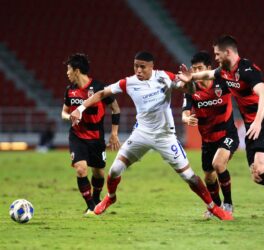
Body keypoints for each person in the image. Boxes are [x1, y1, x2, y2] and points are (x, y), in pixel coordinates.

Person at [70, 51, 233, 220]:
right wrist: (80, 108)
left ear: (151, 67)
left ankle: (213, 207)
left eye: (142, 67)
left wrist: (189, 81)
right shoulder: (129, 82)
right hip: (142, 133)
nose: (138, 70)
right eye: (135, 66)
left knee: (189, 176)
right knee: (114, 170)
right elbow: (102, 93)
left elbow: (190, 91)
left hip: (165, 136)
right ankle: (110, 197)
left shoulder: (164, 77)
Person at [178, 35, 264, 224]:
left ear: (228, 52)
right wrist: (191, 76)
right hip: (252, 125)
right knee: (258, 175)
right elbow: (207, 74)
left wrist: (257, 122)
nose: (215, 58)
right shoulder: (224, 71)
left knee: (263, 169)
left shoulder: (248, 70)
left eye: (217, 54)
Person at [61, 53, 121, 215]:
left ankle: (95, 198)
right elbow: (64, 112)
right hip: (77, 136)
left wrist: (114, 133)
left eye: (68, 69)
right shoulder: (70, 91)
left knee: (99, 172)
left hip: (96, 137)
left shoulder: (99, 88)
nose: (67, 73)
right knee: (81, 169)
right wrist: (71, 117)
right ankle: (91, 206)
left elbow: (115, 108)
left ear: (77, 70)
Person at [182, 51, 239, 219]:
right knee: (208, 176)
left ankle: (228, 204)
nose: (196, 72)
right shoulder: (191, 89)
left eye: (200, 68)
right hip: (207, 139)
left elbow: (242, 91)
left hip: (227, 133)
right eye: (194, 69)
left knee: (219, 164)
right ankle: (216, 206)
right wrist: (186, 118)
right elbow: (185, 111)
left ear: (208, 68)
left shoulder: (222, 81)